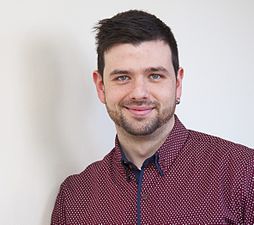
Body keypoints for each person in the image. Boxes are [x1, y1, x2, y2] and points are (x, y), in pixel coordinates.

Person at [51, 10, 254, 224]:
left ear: (178, 83)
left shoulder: (244, 173)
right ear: (101, 87)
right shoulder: (74, 198)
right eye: (122, 77)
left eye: (155, 75)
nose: (139, 92)